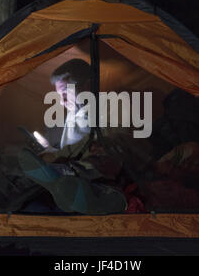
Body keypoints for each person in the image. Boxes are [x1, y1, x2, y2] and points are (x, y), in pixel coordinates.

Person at [18, 59, 129, 215]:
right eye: (58, 95)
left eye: (65, 92)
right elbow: (71, 147)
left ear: (87, 85)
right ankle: (59, 184)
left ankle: (68, 183)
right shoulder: (72, 114)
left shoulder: (109, 107)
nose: (62, 101)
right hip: (73, 168)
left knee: (95, 160)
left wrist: (57, 156)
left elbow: (110, 144)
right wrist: (50, 150)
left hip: (100, 173)